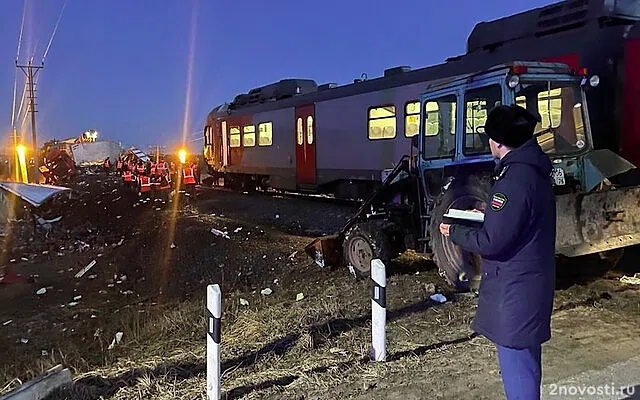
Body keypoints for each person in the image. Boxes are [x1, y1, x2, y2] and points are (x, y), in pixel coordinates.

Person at [439, 104, 556, 399]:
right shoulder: (532, 171)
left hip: (515, 290)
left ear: (499, 141)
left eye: (489, 137)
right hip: (529, 284)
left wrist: (454, 231)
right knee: (527, 366)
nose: (488, 142)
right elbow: (518, 219)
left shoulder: (514, 181)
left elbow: (492, 241)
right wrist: (489, 210)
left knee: (519, 371)